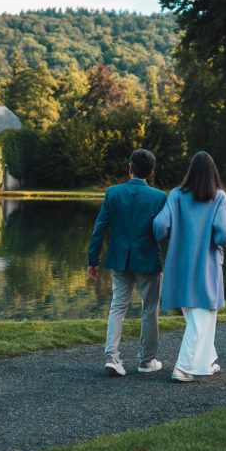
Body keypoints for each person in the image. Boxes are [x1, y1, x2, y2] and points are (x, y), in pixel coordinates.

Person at [153, 151, 226, 382]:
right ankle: (183, 368)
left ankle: (207, 360)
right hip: (206, 265)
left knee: (196, 317)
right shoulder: (219, 197)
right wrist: (220, 240)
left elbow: (160, 224)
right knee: (202, 317)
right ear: (213, 173)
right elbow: (224, 233)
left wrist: (166, 236)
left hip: (179, 264)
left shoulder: (177, 195)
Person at [87, 149, 167, 376]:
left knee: (118, 307)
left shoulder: (113, 192)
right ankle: (146, 361)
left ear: (130, 169)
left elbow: (99, 229)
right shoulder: (160, 197)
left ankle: (112, 357)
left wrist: (93, 261)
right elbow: (163, 230)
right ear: (150, 173)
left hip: (120, 260)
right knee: (150, 310)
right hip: (148, 259)